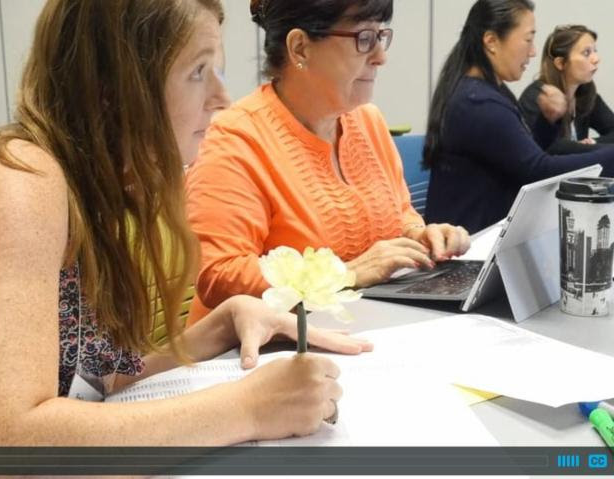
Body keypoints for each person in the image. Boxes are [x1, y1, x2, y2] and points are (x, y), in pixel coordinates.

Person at [0, 0, 374, 474]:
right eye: (198, 72)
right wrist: (247, 408)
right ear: (113, 89)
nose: (221, 96)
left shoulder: (90, 185)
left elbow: (85, 378)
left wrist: (215, 329)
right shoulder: (15, 183)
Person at [184, 0, 470, 324]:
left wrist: (421, 238)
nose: (381, 56)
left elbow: (399, 213)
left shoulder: (368, 121)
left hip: (357, 330)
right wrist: (342, 275)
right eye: (364, 38)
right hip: (256, 353)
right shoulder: (235, 139)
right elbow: (218, 275)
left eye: (381, 36)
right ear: (300, 48)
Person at [423, 0, 614, 234]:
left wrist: (547, 123)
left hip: (489, 238)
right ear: (491, 41)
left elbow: (523, 158)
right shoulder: (478, 103)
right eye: (528, 39)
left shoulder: (488, 92)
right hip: (470, 250)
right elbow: (538, 172)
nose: (533, 51)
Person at [519, 24, 614, 154]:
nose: (596, 59)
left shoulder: (586, 93)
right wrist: (588, 149)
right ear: (560, 63)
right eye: (586, 53)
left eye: (594, 51)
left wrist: (593, 142)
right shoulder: (537, 96)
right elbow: (551, 147)